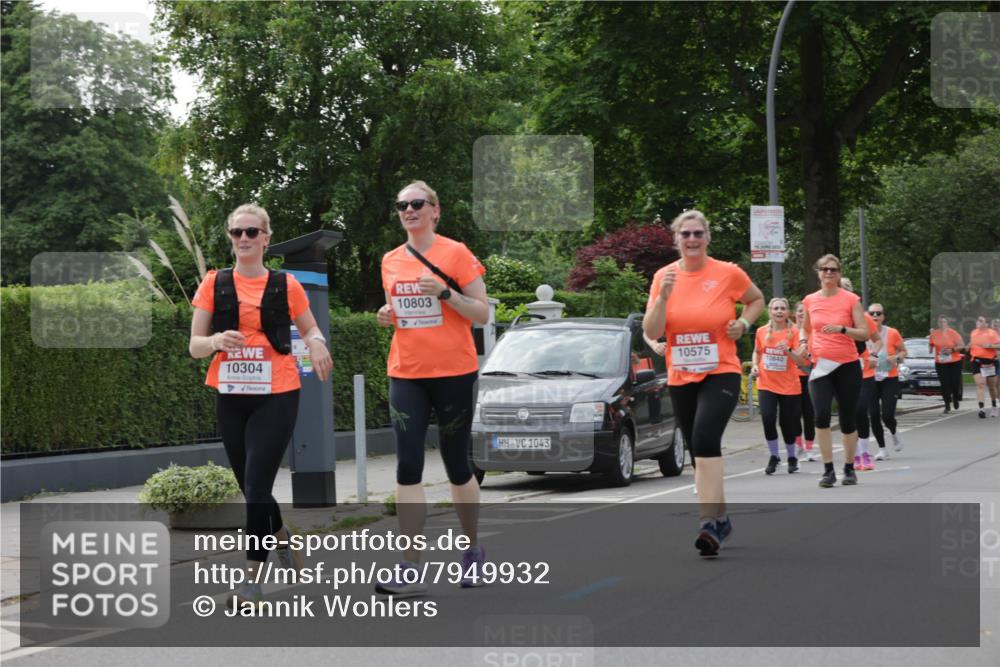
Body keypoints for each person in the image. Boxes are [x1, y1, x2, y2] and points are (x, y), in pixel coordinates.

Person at [189, 204, 333, 605]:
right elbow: (195, 346)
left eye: (252, 232)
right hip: (232, 394)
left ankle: (252, 578)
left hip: (277, 394)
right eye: (237, 233)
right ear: (230, 238)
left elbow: (310, 328)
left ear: (266, 238)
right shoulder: (213, 284)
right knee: (251, 487)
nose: (245, 239)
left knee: (256, 485)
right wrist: (217, 341)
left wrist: (318, 344)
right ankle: (283, 535)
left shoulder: (286, 285)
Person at [375, 180, 490, 594]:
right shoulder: (390, 260)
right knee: (408, 467)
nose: (409, 210)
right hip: (406, 371)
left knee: (457, 465)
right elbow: (397, 308)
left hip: (454, 373)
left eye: (417, 203)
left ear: (435, 210)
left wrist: (445, 293)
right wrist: (386, 313)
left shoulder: (455, 253)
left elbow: (481, 313)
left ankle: (473, 551)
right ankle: (410, 565)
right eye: (402, 204)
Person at [644, 209, 764, 557]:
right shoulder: (662, 277)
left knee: (705, 438)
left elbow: (755, 299)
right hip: (681, 372)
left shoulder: (727, 273)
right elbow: (651, 332)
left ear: (707, 238)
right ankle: (721, 517)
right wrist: (664, 298)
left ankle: (707, 522)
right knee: (699, 449)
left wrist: (743, 323)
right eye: (686, 234)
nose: (692, 240)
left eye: (698, 234)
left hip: (720, 369)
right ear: (676, 239)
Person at [798, 254, 872, 488]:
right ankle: (828, 469)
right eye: (824, 269)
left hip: (847, 364)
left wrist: (842, 329)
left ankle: (849, 468)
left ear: (839, 273)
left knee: (848, 418)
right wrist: (802, 343)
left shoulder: (851, 299)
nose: (829, 273)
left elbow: (864, 333)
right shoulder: (810, 300)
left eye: (833, 269)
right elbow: (805, 328)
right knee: (820, 415)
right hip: (821, 365)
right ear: (818, 273)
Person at [750, 298, 805, 475]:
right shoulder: (761, 331)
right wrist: (755, 365)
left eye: (782, 308)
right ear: (770, 311)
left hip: (789, 385)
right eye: (776, 308)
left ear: (788, 312)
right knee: (767, 418)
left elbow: (801, 360)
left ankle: (791, 457)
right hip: (766, 383)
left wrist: (788, 350)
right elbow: (757, 352)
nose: (779, 311)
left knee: (787, 423)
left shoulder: (795, 331)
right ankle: (774, 456)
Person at [839, 277, 881, 471]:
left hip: (863, 369)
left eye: (847, 289)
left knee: (860, 410)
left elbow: (877, 340)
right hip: (840, 369)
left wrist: (873, 353)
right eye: (841, 288)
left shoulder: (862, 317)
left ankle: (864, 452)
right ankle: (854, 455)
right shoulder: (830, 316)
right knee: (848, 413)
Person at [867, 303, 907, 460]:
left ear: (883, 316)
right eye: (872, 313)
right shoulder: (863, 334)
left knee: (888, 415)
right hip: (870, 378)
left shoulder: (892, 333)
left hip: (889, 378)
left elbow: (904, 351)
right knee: (874, 414)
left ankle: (894, 432)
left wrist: (896, 358)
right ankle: (882, 449)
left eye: (878, 313)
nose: (875, 316)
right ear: (867, 316)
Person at [792, 301, 817, 461]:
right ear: (795, 313)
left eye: (804, 311)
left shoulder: (812, 331)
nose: (802, 314)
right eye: (799, 311)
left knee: (809, 413)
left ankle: (809, 448)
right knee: (794, 414)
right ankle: (798, 445)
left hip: (810, 375)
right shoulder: (790, 330)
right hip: (792, 377)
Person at [929, 315, 966, 413]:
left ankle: (955, 398)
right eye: (940, 322)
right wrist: (930, 343)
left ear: (947, 323)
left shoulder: (953, 333)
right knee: (944, 384)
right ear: (938, 323)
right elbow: (930, 349)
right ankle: (947, 405)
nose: (942, 324)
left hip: (955, 362)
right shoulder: (934, 334)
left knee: (955, 383)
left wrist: (952, 350)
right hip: (941, 363)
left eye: (943, 322)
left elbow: (962, 345)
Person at [968, 315, 1000, 418]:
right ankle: (981, 409)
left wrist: (989, 346)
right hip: (976, 361)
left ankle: (994, 407)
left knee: (992, 387)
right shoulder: (973, 333)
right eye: (978, 320)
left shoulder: (992, 333)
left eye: (982, 321)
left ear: (986, 324)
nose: (979, 322)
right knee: (980, 384)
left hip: (990, 362)